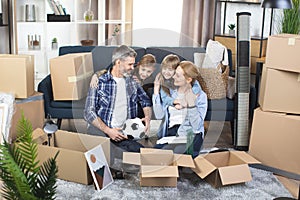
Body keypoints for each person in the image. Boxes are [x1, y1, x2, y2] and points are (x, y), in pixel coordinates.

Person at [84, 45, 152, 157]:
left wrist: (148, 117)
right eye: (130, 64)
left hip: (124, 133)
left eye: (133, 64)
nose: (132, 67)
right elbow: (88, 112)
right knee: (105, 158)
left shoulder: (133, 81)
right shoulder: (99, 82)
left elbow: (145, 101)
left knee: (141, 155)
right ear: (118, 62)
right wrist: (108, 130)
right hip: (102, 132)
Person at [152, 61, 207, 158]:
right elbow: (159, 115)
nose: (173, 77)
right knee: (157, 154)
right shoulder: (170, 92)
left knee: (180, 153)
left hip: (191, 133)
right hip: (173, 131)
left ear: (188, 79)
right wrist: (156, 91)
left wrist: (191, 105)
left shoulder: (200, 96)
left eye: (177, 75)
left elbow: (196, 125)